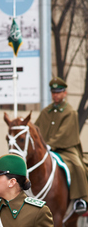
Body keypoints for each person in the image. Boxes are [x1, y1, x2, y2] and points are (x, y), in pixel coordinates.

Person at [35, 76, 88, 213]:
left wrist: (49, 145)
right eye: (53, 92)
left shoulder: (70, 112)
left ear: (65, 93)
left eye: (58, 92)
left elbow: (64, 134)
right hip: (45, 150)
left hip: (66, 149)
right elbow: (36, 129)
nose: (55, 95)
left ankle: (80, 199)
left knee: (77, 166)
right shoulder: (45, 112)